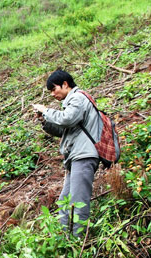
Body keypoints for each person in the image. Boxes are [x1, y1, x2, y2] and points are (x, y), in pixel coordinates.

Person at [32, 69, 102, 236]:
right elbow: (64, 130)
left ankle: (78, 242)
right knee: (64, 201)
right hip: (76, 156)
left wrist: (46, 110)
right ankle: (64, 239)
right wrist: (44, 120)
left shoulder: (78, 98)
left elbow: (66, 119)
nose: (53, 94)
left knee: (78, 201)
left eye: (54, 89)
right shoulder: (70, 104)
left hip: (84, 155)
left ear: (65, 84)